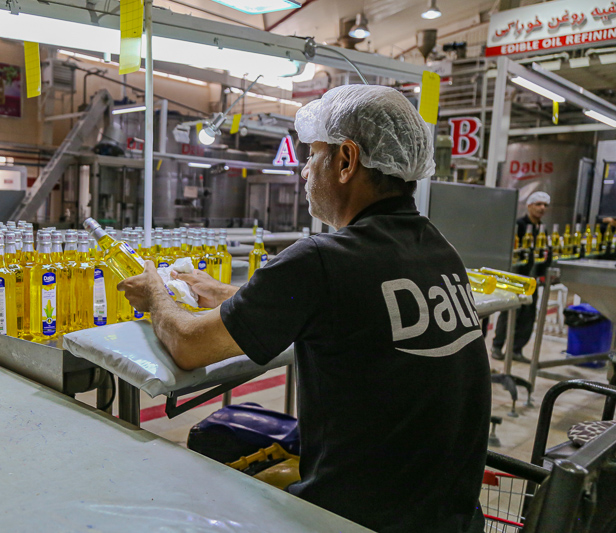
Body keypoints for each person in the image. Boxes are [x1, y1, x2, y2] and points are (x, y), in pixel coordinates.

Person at [119, 85, 490, 533]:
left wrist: (155, 292)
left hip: (356, 521)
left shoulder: (321, 259)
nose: (304, 170)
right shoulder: (437, 249)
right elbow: (339, 307)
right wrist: (223, 293)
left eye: (313, 154)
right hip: (450, 518)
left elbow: (187, 345)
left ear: (346, 160)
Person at [490, 191, 550, 362]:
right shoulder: (518, 226)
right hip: (516, 276)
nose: (542, 208)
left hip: (532, 278)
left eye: (545, 205)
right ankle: (497, 346)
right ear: (529, 206)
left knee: (528, 314)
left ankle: (516, 349)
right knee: (509, 311)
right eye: (538, 204)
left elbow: (545, 251)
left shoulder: (542, 229)